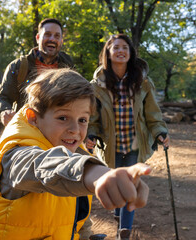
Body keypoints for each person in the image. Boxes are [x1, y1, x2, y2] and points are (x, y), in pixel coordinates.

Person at [0, 68, 152, 240]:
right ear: (33, 118)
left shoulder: (76, 154)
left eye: (82, 120)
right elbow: (45, 166)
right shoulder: (15, 157)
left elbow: (78, 219)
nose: (75, 130)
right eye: (63, 118)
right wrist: (94, 173)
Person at [85, 34, 170, 240]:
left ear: (130, 53)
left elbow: (152, 113)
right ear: (108, 53)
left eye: (125, 48)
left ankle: (125, 231)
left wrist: (160, 131)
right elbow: (92, 117)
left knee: (130, 184)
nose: (121, 51)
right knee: (117, 184)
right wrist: (91, 135)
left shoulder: (143, 81)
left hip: (135, 144)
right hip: (110, 145)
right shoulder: (96, 85)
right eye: (116, 48)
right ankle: (118, 211)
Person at [0, 18, 74, 126]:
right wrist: (4, 111)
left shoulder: (68, 66)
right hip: (26, 131)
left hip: (59, 133)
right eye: (47, 34)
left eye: (57, 36)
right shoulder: (19, 66)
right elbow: (3, 98)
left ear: (61, 41)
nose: (52, 39)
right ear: (38, 38)